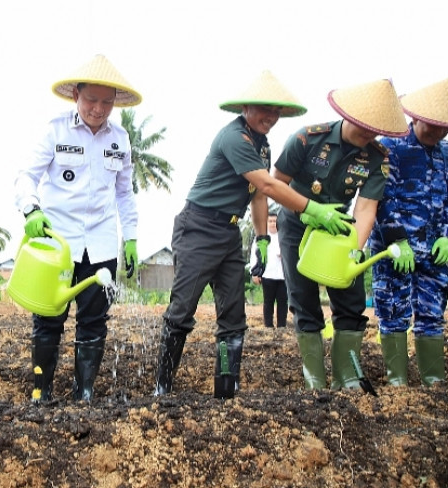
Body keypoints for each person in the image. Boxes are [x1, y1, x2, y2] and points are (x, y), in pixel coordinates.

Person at [154, 70, 354, 399]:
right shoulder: (234, 137)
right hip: (199, 228)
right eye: (264, 109)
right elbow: (268, 185)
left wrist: (261, 238)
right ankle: (161, 389)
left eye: (276, 111)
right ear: (245, 107)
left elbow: (257, 196)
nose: (271, 117)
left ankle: (226, 390)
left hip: (230, 231)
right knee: (182, 311)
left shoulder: (262, 145)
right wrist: (312, 209)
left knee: (233, 317)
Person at [14, 54, 140, 403]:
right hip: (58, 249)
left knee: (94, 321)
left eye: (107, 102)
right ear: (76, 97)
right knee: (48, 321)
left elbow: (125, 193)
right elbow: (27, 176)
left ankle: (83, 394)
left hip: (100, 245)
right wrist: (31, 209)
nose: (99, 109)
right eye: (92, 100)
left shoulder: (121, 139)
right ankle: (42, 392)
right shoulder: (56, 129)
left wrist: (130, 238)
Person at [272, 78, 409, 390]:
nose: (368, 133)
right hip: (297, 222)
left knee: (350, 298)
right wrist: (306, 210)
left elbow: (365, 207)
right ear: (348, 114)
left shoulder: (377, 157)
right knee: (304, 299)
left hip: (337, 229)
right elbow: (276, 183)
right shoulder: (308, 139)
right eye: (364, 125)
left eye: (376, 129)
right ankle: (314, 381)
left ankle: (346, 378)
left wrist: (354, 250)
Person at [368, 79, 448, 387]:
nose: (438, 132)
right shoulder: (389, 147)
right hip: (395, 249)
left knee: (432, 313)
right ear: (415, 117)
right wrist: (396, 238)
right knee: (392, 308)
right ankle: (397, 380)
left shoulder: (445, 155)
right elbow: (379, 198)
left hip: (434, 249)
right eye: (432, 125)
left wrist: (446, 234)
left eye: (444, 127)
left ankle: (432, 379)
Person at [249, 210, 288, 329]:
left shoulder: (285, 236)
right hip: (267, 273)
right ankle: (268, 325)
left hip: (283, 275)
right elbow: (253, 256)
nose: (272, 223)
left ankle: (282, 325)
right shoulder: (261, 238)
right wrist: (254, 273)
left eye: (274, 221)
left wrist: (284, 255)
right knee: (268, 302)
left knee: (282, 302)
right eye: (270, 221)